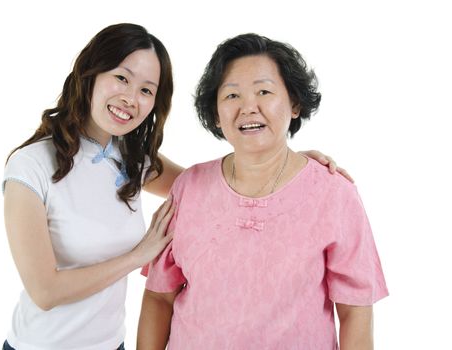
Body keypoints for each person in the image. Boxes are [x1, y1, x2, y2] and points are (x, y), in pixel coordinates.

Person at [2, 23, 351, 350]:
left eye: (145, 90)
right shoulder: (30, 167)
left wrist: (284, 161)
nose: (130, 97)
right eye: (121, 78)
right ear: (89, 75)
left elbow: (208, 188)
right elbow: (44, 290)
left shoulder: (131, 159)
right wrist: (138, 256)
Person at [138, 33, 388, 350]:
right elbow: (159, 297)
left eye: (264, 91)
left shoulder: (334, 193)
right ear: (215, 113)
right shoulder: (189, 186)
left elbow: (355, 312)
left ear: (294, 103)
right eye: (231, 96)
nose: (248, 107)